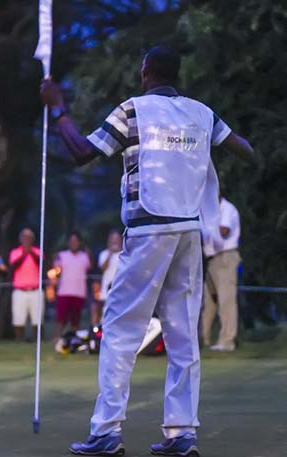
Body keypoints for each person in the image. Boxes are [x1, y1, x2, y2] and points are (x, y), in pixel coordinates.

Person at [40, 45, 253, 456]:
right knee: (182, 335)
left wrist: (58, 108)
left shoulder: (133, 110)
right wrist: (203, 143)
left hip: (149, 228)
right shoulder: (201, 113)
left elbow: (84, 151)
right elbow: (244, 149)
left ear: (145, 73)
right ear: (176, 74)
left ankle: (106, 432)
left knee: (120, 330)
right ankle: (181, 433)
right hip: (189, 232)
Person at [201, 196, 241, 351]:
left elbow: (224, 230)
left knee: (226, 300)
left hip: (225, 257)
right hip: (211, 259)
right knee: (208, 303)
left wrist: (203, 229)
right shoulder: (208, 210)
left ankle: (227, 341)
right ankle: (203, 339)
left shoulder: (226, 208)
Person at [53, 232, 92, 339]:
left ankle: (73, 339)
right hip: (64, 291)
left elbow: (90, 267)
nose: (73, 243)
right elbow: (56, 271)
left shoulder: (84, 256)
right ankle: (57, 338)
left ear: (79, 243)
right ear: (68, 243)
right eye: (72, 241)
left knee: (75, 319)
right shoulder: (61, 255)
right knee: (61, 318)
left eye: (76, 241)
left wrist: (89, 253)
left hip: (79, 293)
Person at [9, 228, 44, 341]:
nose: (26, 240)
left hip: (35, 290)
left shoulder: (38, 251)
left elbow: (42, 264)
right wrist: (24, 254)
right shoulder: (15, 252)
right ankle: (19, 339)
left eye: (29, 238)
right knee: (18, 318)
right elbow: (13, 266)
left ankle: (37, 340)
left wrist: (31, 252)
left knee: (37, 319)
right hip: (20, 290)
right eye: (24, 237)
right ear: (20, 239)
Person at [92, 230, 123, 326]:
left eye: (117, 239)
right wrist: (110, 253)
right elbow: (102, 268)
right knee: (106, 314)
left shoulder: (125, 254)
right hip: (106, 290)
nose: (114, 242)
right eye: (112, 239)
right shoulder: (104, 254)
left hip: (120, 289)